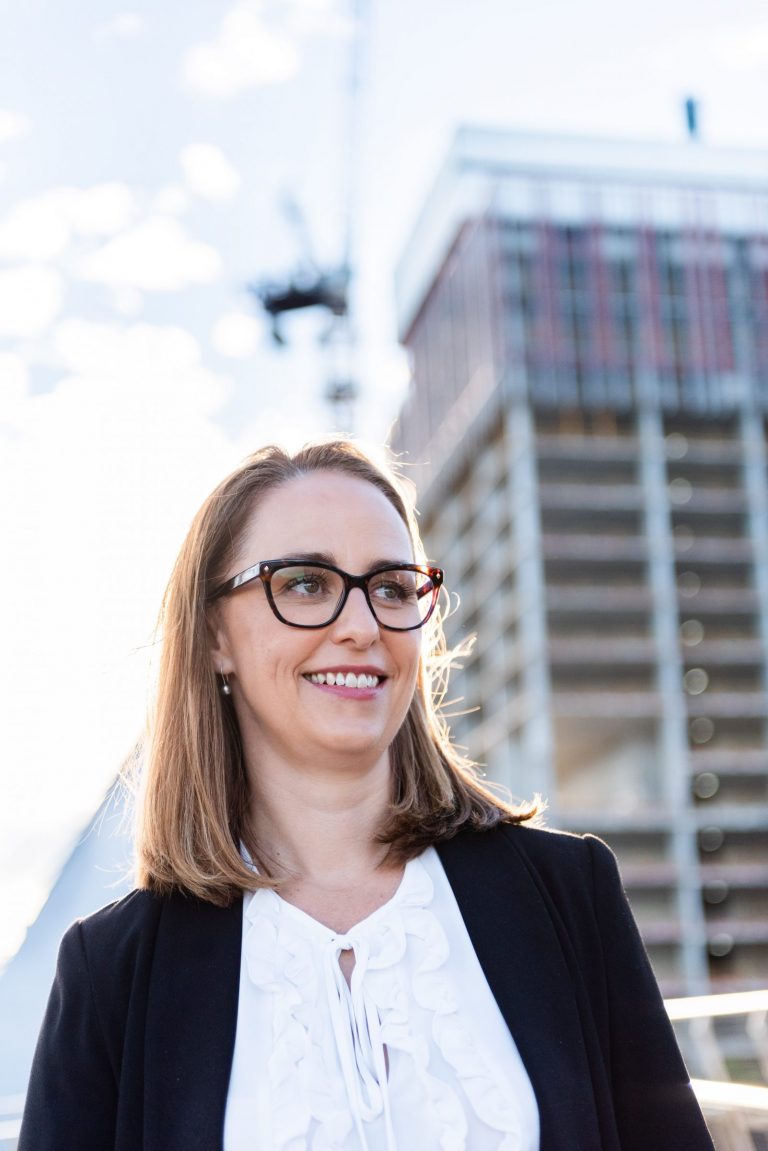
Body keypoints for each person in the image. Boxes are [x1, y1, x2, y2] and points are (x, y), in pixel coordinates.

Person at [20, 439, 713, 1151]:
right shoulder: (111, 970)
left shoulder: (569, 894)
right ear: (213, 637)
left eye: (391, 586)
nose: (362, 625)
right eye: (305, 583)